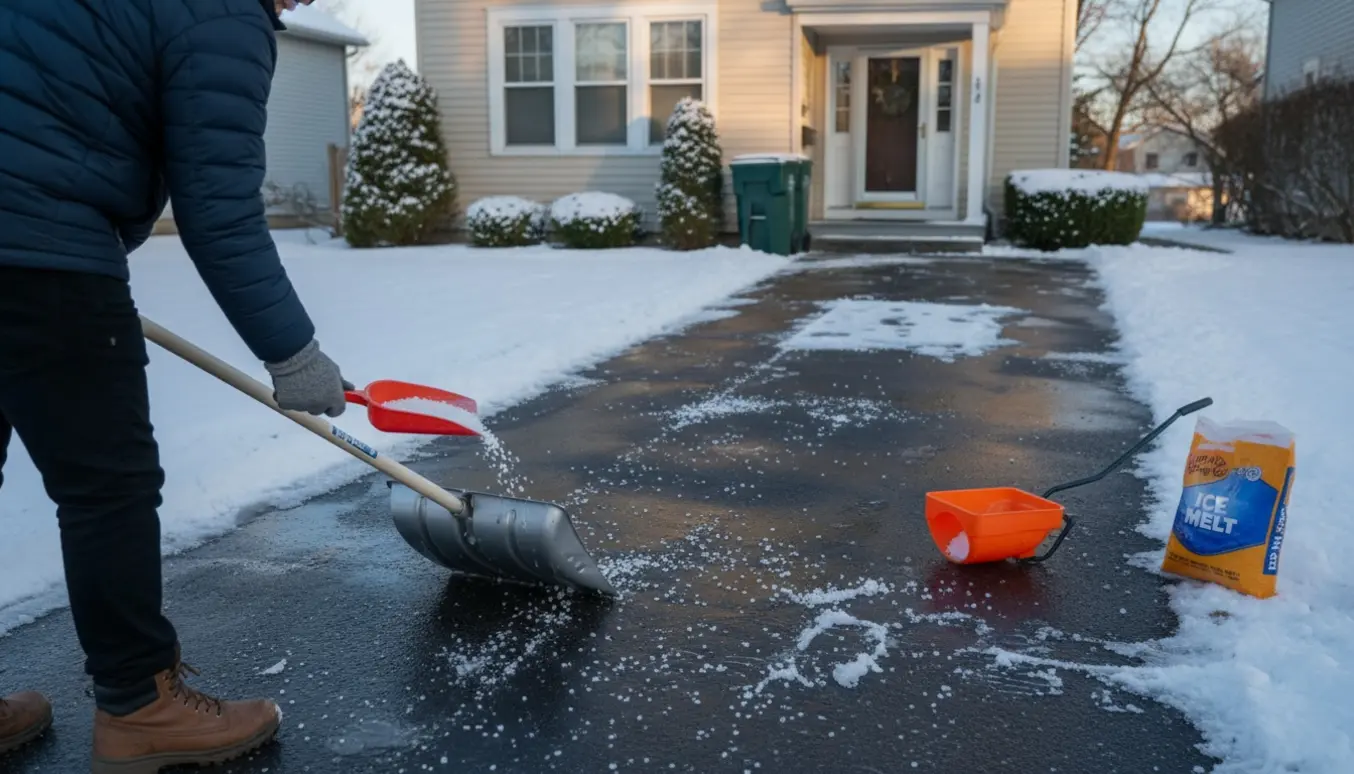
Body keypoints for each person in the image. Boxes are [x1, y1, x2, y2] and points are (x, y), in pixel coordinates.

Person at [0, 0, 350, 770]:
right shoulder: (221, 13)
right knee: (107, 489)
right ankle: (138, 706)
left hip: (26, 228)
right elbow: (219, 212)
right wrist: (292, 353)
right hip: (41, 253)